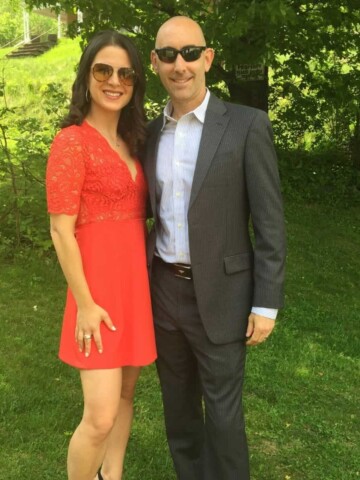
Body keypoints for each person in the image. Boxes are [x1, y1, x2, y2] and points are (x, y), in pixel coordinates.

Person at [144, 16, 286, 480]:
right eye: (168, 55)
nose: (179, 65)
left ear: (207, 58)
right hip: (164, 291)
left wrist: (266, 303)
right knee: (179, 410)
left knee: (224, 418)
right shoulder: (149, 133)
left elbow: (269, 222)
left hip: (224, 294)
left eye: (189, 53)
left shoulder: (247, 125)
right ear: (155, 63)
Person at [46, 30, 156, 480]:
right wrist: (86, 304)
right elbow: (60, 230)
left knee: (126, 398)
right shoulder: (71, 142)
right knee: (100, 416)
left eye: (125, 72)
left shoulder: (136, 141)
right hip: (97, 294)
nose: (115, 80)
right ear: (87, 75)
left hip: (135, 288)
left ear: (135, 82)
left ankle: (112, 476)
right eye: (103, 70)